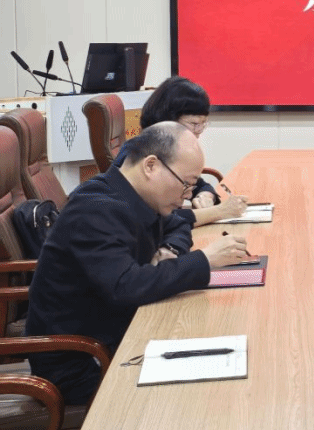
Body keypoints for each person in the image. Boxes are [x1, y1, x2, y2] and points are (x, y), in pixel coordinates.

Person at [26, 122, 250, 404]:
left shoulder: (135, 195)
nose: (187, 195)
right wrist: (204, 260)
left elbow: (178, 224)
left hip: (118, 335)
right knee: (201, 396)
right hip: (82, 362)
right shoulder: (94, 209)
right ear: (151, 166)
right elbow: (126, 286)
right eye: (185, 184)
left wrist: (169, 250)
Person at [115, 76, 247, 225]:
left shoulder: (172, 150)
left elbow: (200, 185)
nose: (199, 131)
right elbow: (152, 221)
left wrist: (205, 196)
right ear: (168, 120)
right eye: (194, 124)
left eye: (203, 124)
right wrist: (219, 211)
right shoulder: (137, 154)